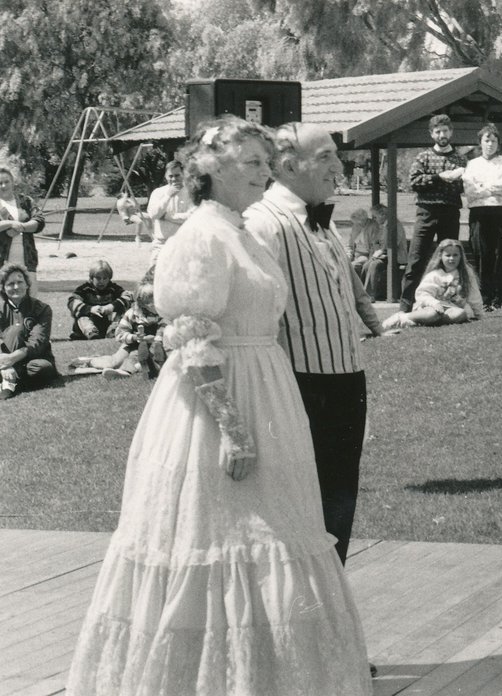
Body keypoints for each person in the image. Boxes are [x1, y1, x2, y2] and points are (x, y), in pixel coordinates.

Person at [66, 117, 373, 696]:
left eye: (266, 162)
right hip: (218, 404)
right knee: (220, 538)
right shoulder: (202, 235)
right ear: (212, 168)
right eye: (252, 163)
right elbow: (190, 336)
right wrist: (233, 428)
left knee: (275, 535)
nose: (265, 172)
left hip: (267, 388)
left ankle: (267, 676)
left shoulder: (241, 230)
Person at [244, 121, 382, 568]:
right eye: (325, 157)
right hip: (299, 387)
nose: (339, 167)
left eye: (335, 156)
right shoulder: (264, 223)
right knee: (300, 512)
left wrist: (373, 322)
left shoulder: (321, 220)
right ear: (288, 166)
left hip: (345, 379)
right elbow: (253, 315)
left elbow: (344, 289)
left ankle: (327, 599)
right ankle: (297, 601)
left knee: (338, 505)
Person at [400, 114, 467, 311]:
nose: (442, 135)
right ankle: (405, 307)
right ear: (431, 134)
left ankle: (448, 304)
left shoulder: (460, 159)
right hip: (426, 212)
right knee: (416, 260)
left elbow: (465, 186)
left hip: (450, 212)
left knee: (450, 260)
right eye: (438, 132)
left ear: (451, 132)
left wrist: (456, 179)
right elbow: (414, 182)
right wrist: (438, 177)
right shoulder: (423, 157)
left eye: (445, 131)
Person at [463, 123, 502, 310]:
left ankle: (497, 300)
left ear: (498, 143)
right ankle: (485, 299)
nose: (490, 144)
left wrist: (483, 188)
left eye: (494, 140)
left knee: (501, 254)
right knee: (482, 255)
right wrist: (491, 188)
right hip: (480, 212)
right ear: (480, 142)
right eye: (487, 140)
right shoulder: (472, 164)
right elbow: (469, 189)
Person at [69, 283, 167, 380]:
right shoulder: (132, 314)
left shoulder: (162, 314)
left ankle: (126, 371)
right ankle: (89, 361)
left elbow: (165, 329)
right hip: (131, 344)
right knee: (114, 363)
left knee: (136, 358)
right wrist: (134, 337)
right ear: (142, 303)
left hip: (153, 346)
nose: (158, 304)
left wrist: (157, 339)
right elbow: (119, 334)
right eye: (153, 303)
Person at [381, 238, 484, 328]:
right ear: (441, 256)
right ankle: (402, 317)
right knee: (432, 314)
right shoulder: (434, 274)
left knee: (460, 314)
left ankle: (421, 322)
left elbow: (474, 294)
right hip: (431, 306)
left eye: (455, 255)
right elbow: (422, 294)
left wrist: (479, 314)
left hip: (452, 307)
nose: (451, 259)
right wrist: (435, 303)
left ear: (461, 256)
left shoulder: (466, 273)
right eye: (448, 255)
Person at [0, 262, 57, 399]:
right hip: (2, 358)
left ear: (27, 284)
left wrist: (11, 360)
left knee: (43, 368)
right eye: (10, 284)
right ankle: (9, 381)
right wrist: (5, 363)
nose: (16, 287)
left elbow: (38, 342)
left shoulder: (42, 308)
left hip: (33, 359)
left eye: (20, 282)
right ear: (3, 288)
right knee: (15, 331)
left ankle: (9, 377)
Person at [347, 205, 408, 301]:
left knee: (373, 264)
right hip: (387, 255)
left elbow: (393, 245)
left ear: (382, 215)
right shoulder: (385, 226)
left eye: (375, 217)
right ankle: (362, 293)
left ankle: (370, 294)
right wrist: (380, 250)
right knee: (367, 265)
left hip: (397, 257)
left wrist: (380, 251)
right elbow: (381, 242)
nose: (374, 219)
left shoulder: (394, 225)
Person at [0, 167, 45, 293]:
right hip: (2, 262)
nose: (3, 186)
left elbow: (39, 221)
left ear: (13, 182)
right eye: (0, 183)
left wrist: (22, 227)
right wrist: (11, 223)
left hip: (27, 260)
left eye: (6, 181)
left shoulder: (26, 201)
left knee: (30, 298)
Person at [67, 259, 134, 340]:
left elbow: (128, 297)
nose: (102, 281)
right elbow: (72, 301)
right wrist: (90, 309)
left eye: (105, 278)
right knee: (82, 316)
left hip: (107, 322)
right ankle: (91, 332)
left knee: (119, 314)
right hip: (88, 323)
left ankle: (113, 332)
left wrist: (111, 307)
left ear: (109, 278)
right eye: (98, 278)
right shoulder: (84, 289)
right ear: (91, 278)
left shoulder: (113, 289)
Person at [146, 160, 193, 266]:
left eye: (177, 175)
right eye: (170, 176)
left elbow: (191, 218)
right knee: (154, 275)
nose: (174, 179)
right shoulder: (158, 193)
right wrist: (168, 196)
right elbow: (153, 214)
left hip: (184, 244)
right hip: (161, 244)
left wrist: (167, 216)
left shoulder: (191, 193)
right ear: (165, 176)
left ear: (184, 174)